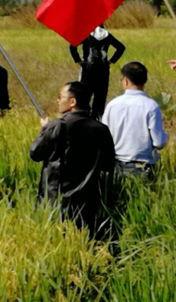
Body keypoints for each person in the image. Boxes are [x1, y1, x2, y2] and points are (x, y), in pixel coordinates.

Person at [30, 81, 115, 234]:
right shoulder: (101, 129)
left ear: (72, 101)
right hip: (89, 200)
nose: (57, 100)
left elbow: (35, 153)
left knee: (55, 238)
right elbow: (108, 164)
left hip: (57, 198)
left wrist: (45, 129)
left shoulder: (57, 125)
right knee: (84, 238)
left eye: (59, 97)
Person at [102, 61, 168, 180]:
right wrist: (165, 136)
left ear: (126, 81)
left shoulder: (112, 105)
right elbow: (159, 142)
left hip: (115, 164)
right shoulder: (151, 106)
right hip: (142, 166)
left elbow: (103, 136)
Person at [69, 24, 125, 119]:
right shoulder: (107, 35)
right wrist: (110, 61)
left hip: (88, 69)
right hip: (103, 69)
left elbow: (72, 47)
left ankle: (84, 117)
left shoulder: (85, 34)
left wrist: (79, 61)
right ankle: (98, 118)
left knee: (84, 95)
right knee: (100, 96)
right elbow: (121, 47)